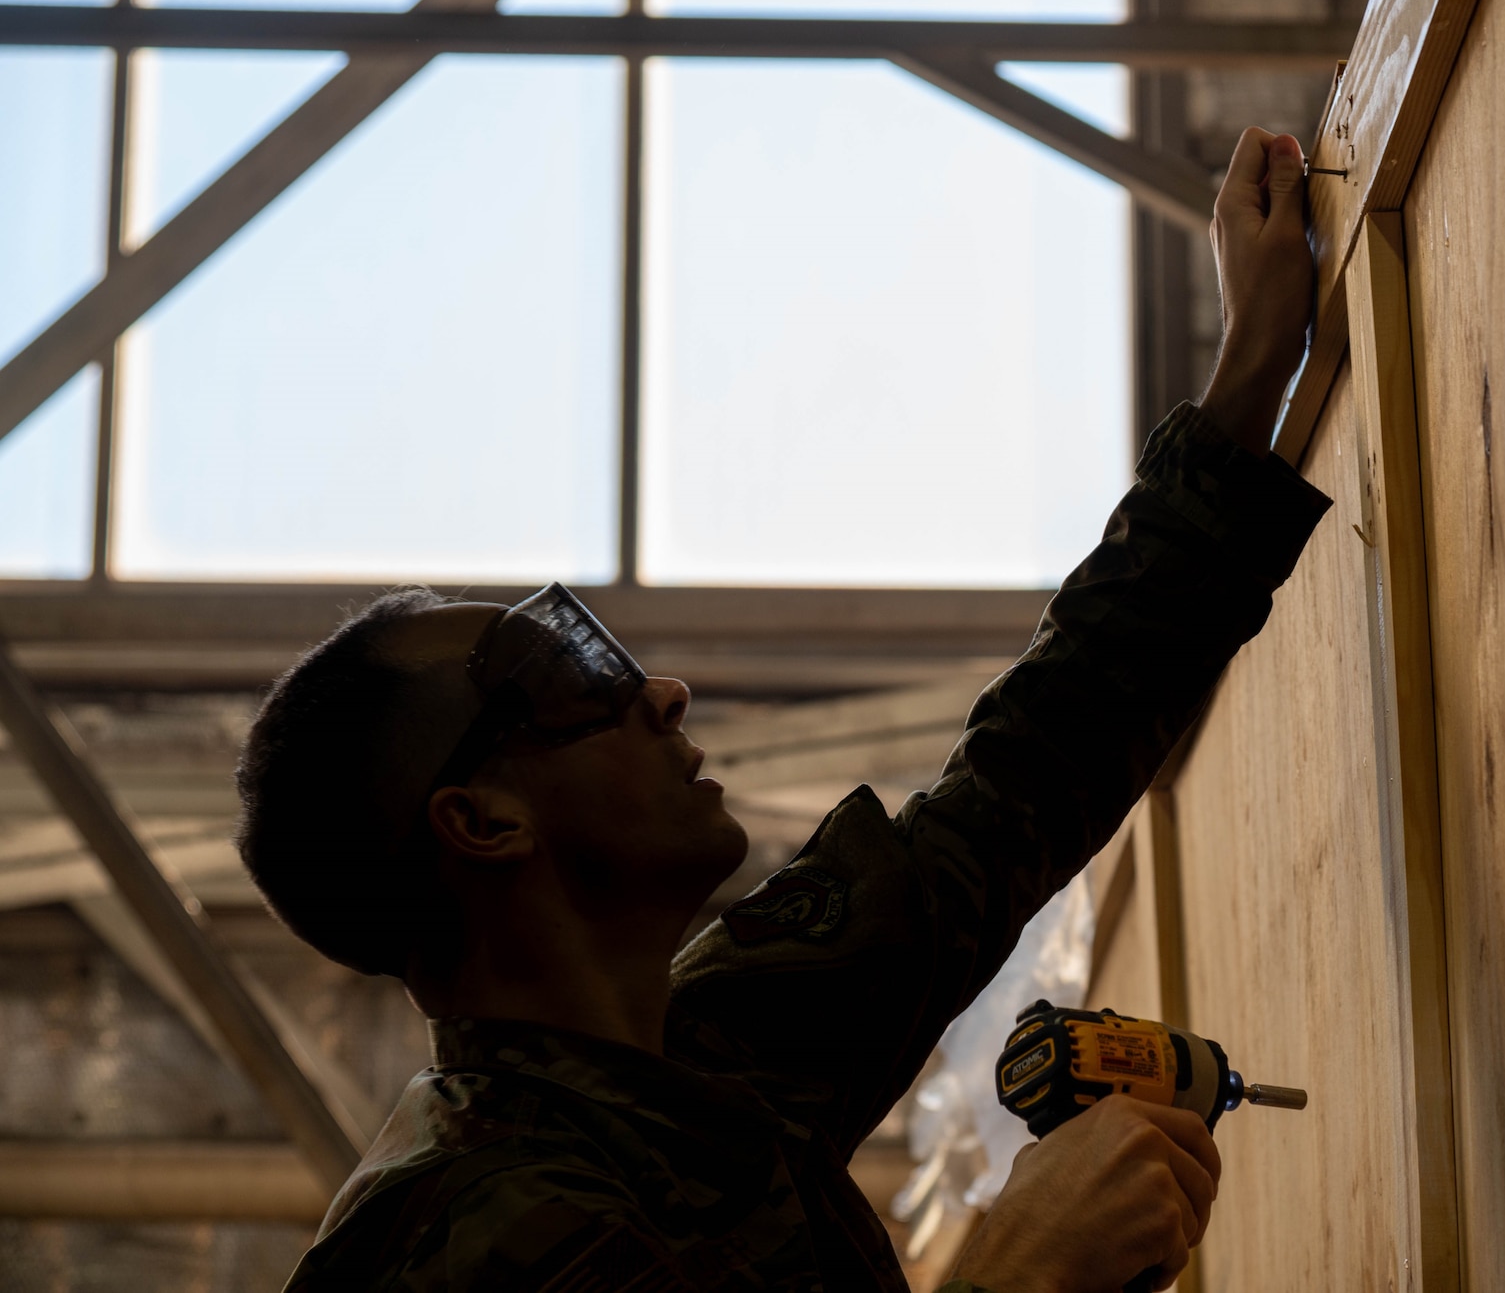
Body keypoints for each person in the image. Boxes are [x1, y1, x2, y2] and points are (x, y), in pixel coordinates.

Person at [240, 126, 1328, 1293]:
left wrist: (1249, 372)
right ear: (484, 819)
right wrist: (1018, 1270)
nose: (658, 691)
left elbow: (1018, 781)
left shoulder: (701, 1051)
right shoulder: (439, 1247)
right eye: (567, 670)